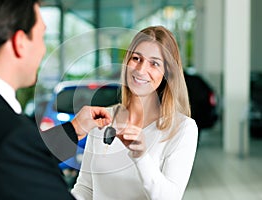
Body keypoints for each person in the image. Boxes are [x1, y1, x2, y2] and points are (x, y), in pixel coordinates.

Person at [0, 0, 111, 200]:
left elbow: (3, 158)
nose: (43, 49)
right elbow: (14, 154)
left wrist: (74, 128)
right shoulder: (12, 137)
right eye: (41, 36)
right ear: (20, 42)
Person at [71, 26, 198, 200]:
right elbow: (85, 188)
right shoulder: (101, 118)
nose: (140, 69)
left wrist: (141, 157)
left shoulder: (183, 128)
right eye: (136, 58)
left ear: (167, 73)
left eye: (154, 63)